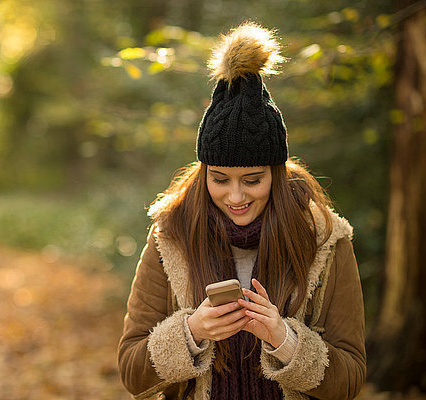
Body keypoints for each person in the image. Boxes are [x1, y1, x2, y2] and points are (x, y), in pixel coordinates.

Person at [117, 21, 366, 400]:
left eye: (252, 180)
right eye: (220, 179)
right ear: (204, 175)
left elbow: (350, 379)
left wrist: (285, 341)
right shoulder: (171, 234)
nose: (235, 197)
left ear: (276, 175)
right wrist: (192, 332)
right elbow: (132, 372)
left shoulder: (325, 239)